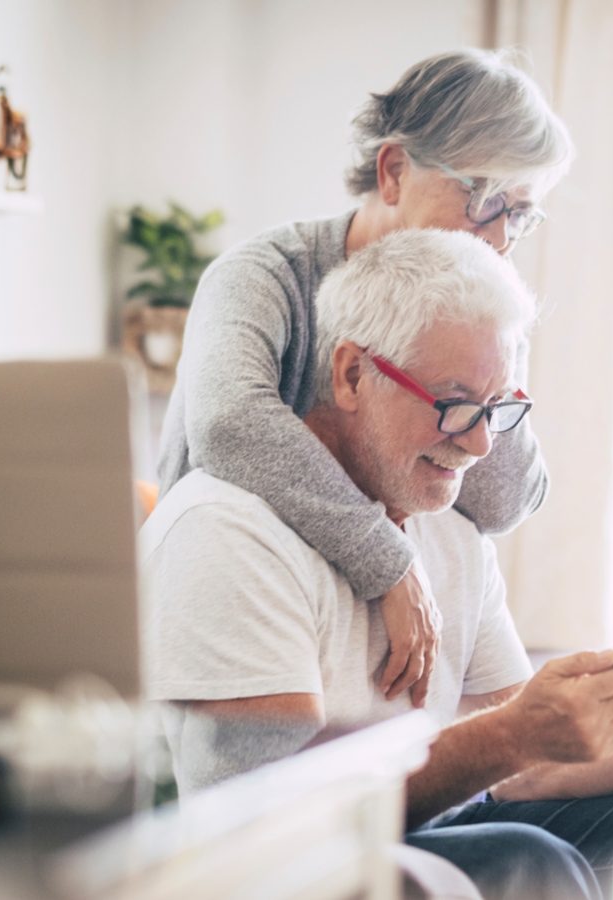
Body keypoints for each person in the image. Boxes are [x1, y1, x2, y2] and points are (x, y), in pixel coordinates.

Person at [142, 230, 613, 900]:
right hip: (287, 869)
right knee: (523, 857)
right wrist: (509, 735)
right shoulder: (229, 530)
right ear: (352, 373)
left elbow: (525, 771)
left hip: (428, 826)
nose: (477, 443)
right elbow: (277, 817)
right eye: (452, 404)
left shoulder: (450, 528)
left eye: (497, 408)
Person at [155, 49, 574, 708]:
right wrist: (388, 559)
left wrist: (488, 357)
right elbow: (228, 424)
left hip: (365, 660)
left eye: (519, 213)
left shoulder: (480, 295)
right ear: (394, 170)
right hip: (235, 624)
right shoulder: (263, 277)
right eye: (484, 198)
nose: (500, 237)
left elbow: (500, 501)